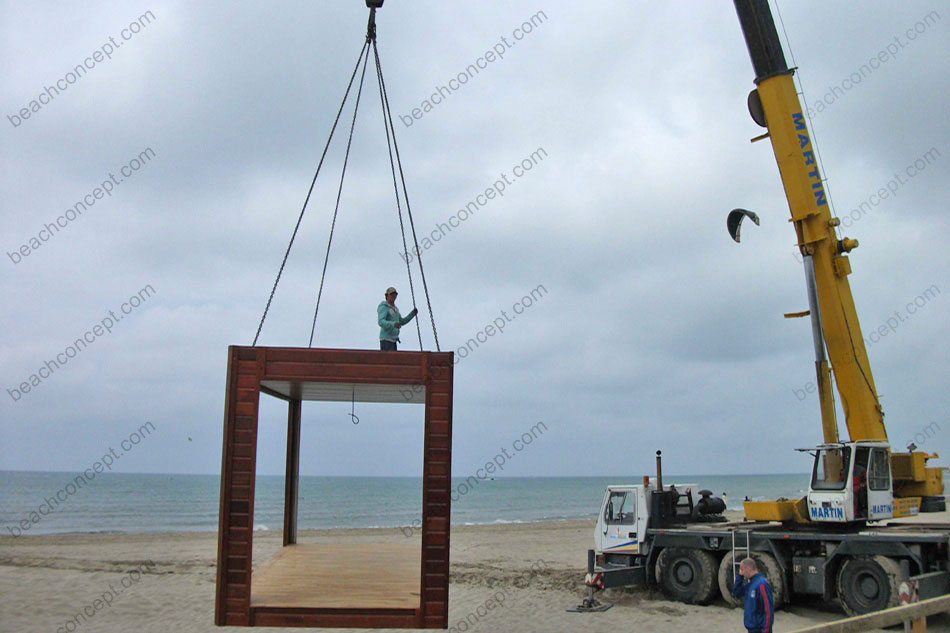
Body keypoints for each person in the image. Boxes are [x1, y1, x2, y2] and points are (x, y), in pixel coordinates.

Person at [732, 557, 774, 633]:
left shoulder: (761, 584)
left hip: (759, 629)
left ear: (748, 569)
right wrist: (740, 577)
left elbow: (768, 610)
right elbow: (736, 593)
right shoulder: (751, 584)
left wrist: (766, 631)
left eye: (742, 570)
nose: (741, 572)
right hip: (752, 628)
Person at [377, 286, 417, 350]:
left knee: (393, 359)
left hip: (393, 339)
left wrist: (412, 314)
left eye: (395, 294)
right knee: (389, 359)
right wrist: (393, 324)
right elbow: (381, 322)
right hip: (386, 339)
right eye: (391, 294)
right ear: (387, 296)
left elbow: (402, 321)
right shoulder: (384, 307)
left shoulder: (395, 309)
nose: (394, 296)